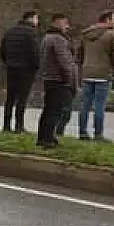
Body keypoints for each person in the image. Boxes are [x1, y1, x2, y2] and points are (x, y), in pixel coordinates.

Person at [76, 10, 114, 141]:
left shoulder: (86, 34)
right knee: (99, 105)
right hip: (103, 73)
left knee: (85, 104)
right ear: (107, 20)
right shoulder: (112, 34)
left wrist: (83, 65)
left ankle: (82, 132)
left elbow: (79, 52)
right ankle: (98, 134)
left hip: (87, 72)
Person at [37, 13, 78, 149]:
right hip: (59, 80)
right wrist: (70, 80)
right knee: (56, 111)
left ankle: (43, 137)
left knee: (48, 109)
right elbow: (65, 62)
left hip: (49, 78)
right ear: (58, 22)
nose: (67, 26)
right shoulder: (58, 39)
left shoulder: (46, 37)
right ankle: (48, 139)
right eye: (65, 23)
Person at [0, 11, 40, 133]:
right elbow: (35, 52)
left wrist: (8, 62)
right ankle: (19, 126)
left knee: (10, 98)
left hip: (11, 68)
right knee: (22, 99)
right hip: (26, 70)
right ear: (31, 19)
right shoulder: (31, 33)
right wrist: (36, 67)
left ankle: (6, 125)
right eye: (36, 18)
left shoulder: (10, 31)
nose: (37, 22)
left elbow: (2, 50)